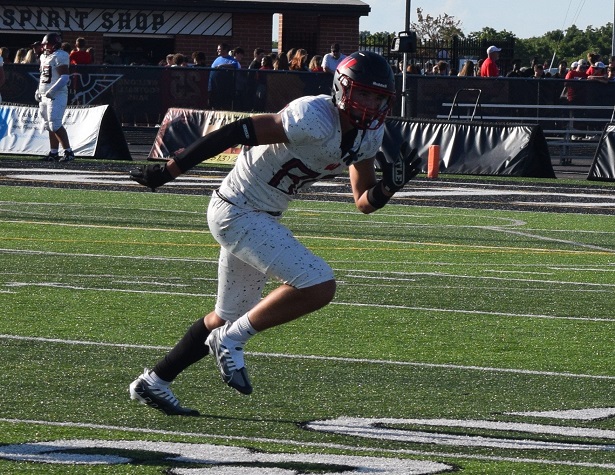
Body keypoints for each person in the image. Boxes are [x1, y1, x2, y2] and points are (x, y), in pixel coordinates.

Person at [127, 51, 421, 415]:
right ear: (342, 88)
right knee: (318, 284)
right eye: (363, 93)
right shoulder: (313, 115)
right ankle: (231, 341)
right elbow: (235, 132)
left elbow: (363, 201)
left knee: (226, 315)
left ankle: (154, 381)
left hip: (260, 216)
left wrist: (388, 188)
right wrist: (169, 171)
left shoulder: (368, 135)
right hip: (237, 210)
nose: (370, 104)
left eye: (378, 97)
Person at [35, 33, 75, 162]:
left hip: (57, 94)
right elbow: (43, 76)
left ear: (54, 44)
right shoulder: (44, 57)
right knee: (48, 125)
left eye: (46, 44)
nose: (44, 47)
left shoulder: (60, 55)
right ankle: (53, 152)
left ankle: (68, 152)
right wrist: (38, 90)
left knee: (55, 123)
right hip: (45, 94)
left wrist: (52, 91)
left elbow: (64, 77)